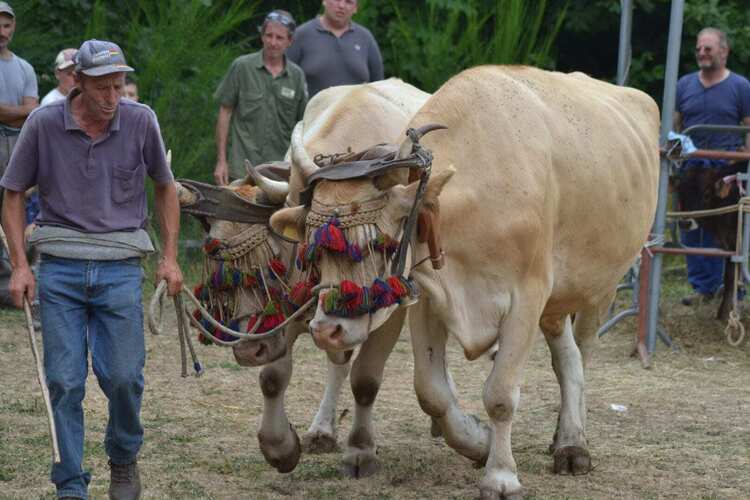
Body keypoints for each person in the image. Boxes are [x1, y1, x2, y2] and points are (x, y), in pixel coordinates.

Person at [0, 39, 183, 500]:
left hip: (121, 267)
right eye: (102, 87)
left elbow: (165, 187)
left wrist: (169, 257)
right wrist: (20, 265)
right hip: (59, 268)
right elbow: (13, 194)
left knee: (123, 377)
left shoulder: (141, 121)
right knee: (63, 381)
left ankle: (122, 458)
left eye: (118, 85)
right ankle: (70, 484)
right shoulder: (43, 124)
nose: (111, 97)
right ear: (76, 83)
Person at [674, 27, 750, 305]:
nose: (701, 53)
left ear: (724, 51)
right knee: (692, 229)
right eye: (698, 49)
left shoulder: (741, 87)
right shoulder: (684, 85)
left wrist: (742, 159)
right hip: (692, 170)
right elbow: (676, 124)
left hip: (727, 171)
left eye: (708, 48)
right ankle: (702, 287)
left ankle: (730, 288)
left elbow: (748, 127)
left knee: (727, 231)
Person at [213, 9, 307, 185]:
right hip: (241, 168)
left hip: (280, 172)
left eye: (279, 38)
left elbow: (303, 126)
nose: (273, 42)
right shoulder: (242, 67)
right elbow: (225, 112)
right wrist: (221, 161)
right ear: (262, 36)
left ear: (290, 41)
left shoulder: (297, 76)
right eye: (269, 35)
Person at [286, 0, 383, 98]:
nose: (341, 5)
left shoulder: (365, 38)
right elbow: (284, 82)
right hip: (314, 111)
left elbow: (379, 87)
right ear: (324, 1)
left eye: (348, 2)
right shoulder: (301, 35)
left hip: (357, 111)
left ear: (355, 8)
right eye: (337, 0)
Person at [0, 1, 38, 181]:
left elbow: (32, 111)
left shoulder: (25, 68)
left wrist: (5, 112)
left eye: (6, 26)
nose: (2, 33)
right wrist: (21, 112)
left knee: (13, 202)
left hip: (17, 146)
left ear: (13, 26)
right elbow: (27, 110)